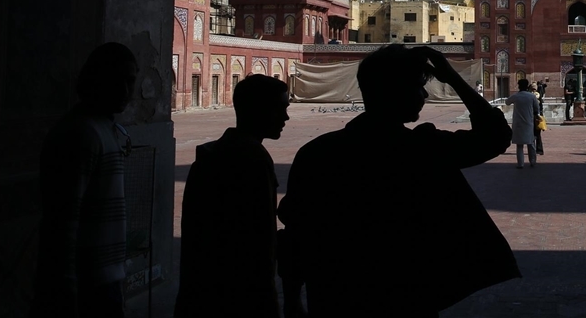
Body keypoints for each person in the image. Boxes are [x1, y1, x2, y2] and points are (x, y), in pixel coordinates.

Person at [277, 45, 520, 317]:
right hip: (406, 294)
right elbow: (496, 136)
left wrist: (291, 300)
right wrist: (452, 78)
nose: (425, 94)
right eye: (418, 87)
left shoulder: (317, 153)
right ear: (398, 92)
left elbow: (296, 237)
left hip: (337, 296)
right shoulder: (421, 150)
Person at [31, 42, 139, 318]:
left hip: (105, 277)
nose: (126, 92)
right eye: (118, 81)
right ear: (97, 80)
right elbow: (62, 221)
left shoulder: (105, 129)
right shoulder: (81, 134)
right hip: (88, 283)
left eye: (131, 81)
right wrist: (65, 290)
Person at [174, 75, 291, 318]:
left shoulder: (213, 154)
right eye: (279, 109)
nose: (285, 118)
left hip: (201, 292)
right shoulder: (252, 161)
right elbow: (258, 244)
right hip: (238, 298)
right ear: (259, 111)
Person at [508, 79, 540, 169]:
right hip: (529, 122)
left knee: (519, 145)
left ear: (518, 86)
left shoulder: (516, 96)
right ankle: (532, 161)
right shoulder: (531, 96)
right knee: (531, 143)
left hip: (518, 123)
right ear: (527, 86)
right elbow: (536, 109)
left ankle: (520, 163)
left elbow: (507, 102)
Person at [530, 83, 544, 155]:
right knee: (538, 134)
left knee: (533, 134)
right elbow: (541, 107)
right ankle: (539, 149)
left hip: (533, 117)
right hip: (538, 116)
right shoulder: (538, 95)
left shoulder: (532, 96)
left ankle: (534, 149)